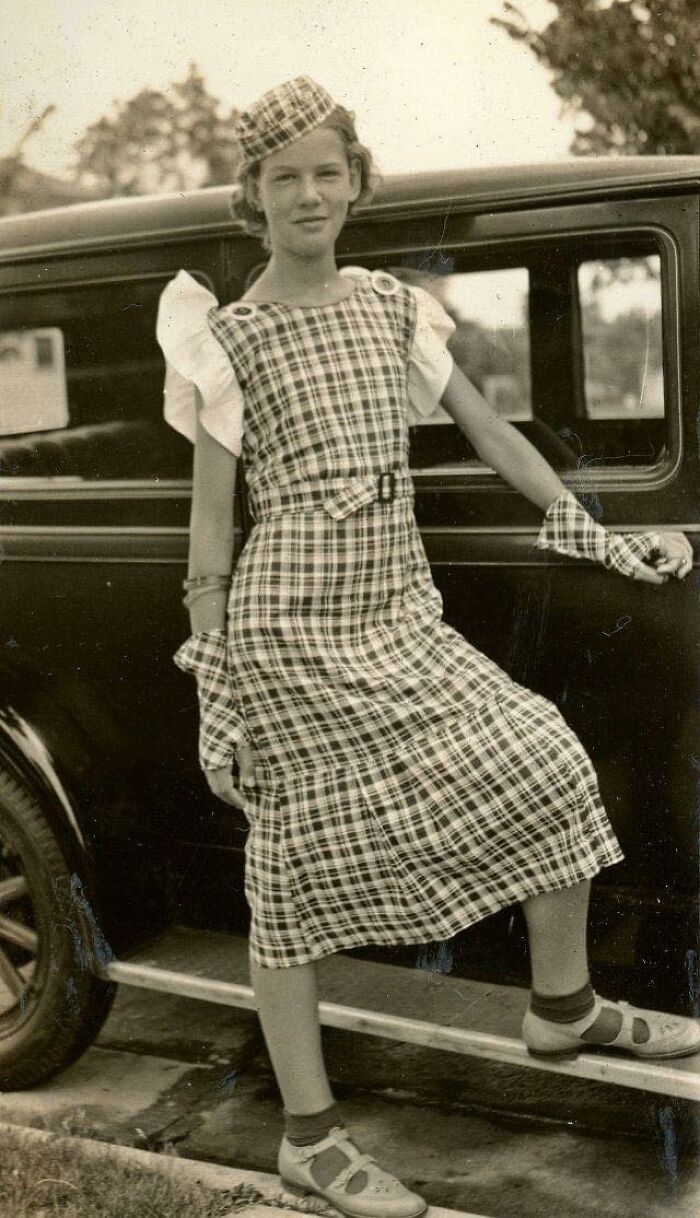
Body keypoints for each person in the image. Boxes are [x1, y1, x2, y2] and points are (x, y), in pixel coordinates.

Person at [156, 76, 698, 1218]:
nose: (309, 193)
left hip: (399, 610)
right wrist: (217, 683)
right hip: (285, 632)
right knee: (291, 875)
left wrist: (593, 536)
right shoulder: (224, 339)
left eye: (327, 171)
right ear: (251, 196)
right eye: (284, 176)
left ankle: (560, 1009)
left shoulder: (393, 310)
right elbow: (213, 532)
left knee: (543, 756)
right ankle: (311, 1137)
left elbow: (491, 430)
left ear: (356, 182)